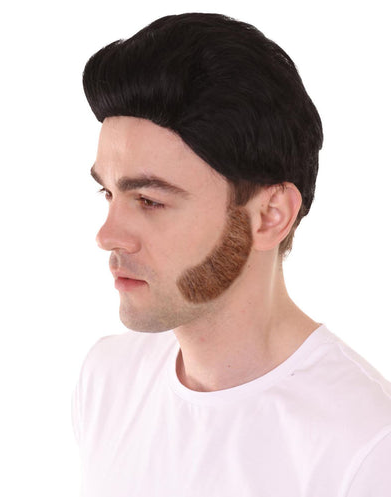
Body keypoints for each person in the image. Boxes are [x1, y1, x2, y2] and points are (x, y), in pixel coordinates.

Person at [72, 12, 391, 496]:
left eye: (150, 201)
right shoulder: (107, 380)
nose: (108, 234)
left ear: (270, 216)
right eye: (108, 194)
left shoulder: (365, 446)